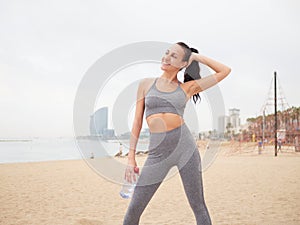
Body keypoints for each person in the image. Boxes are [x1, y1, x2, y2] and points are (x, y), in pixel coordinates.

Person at [122, 41, 231, 225]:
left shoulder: (187, 88)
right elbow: (137, 121)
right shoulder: (145, 84)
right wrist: (131, 157)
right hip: (157, 153)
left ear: (183, 64)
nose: (166, 57)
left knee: (198, 206)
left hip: (185, 149)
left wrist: (195, 57)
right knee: (134, 210)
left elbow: (225, 70)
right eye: (167, 53)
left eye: (174, 56)